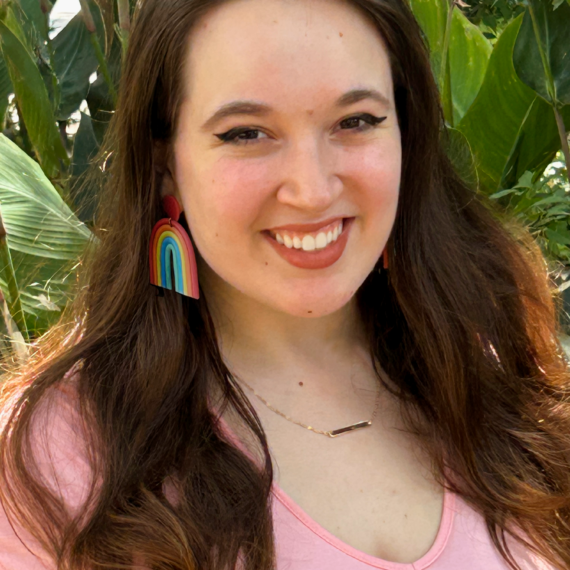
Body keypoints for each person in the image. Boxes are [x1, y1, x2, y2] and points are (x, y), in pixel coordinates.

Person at [0, 0, 569, 568]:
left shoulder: (484, 357)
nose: (313, 190)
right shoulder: (52, 455)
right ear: (164, 161)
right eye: (247, 133)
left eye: (356, 121)